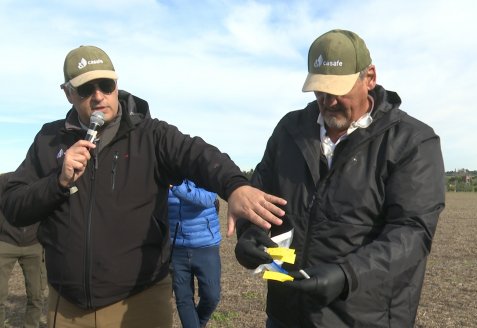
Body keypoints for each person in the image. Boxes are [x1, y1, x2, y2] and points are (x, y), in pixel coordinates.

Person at [1, 45, 286, 328]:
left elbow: (198, 155)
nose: (99, 96)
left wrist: (235, 187)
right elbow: (14, 207)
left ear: (117, 84)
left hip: (137, 304)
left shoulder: (150, 135)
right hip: (66, 307)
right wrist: (58, 182)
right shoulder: (49, 140)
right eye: (87, 88)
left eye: (106, 84)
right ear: (68, 93)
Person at [234, 29, 446, 327]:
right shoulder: (290, 130)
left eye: (337, 89)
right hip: (286, 313)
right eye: (319, 90)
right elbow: (259, 195)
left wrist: (347, 275)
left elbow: (412, 233)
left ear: (369, 77)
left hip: (363, 317)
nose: (327, 101)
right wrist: (249, 234)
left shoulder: (412, 142)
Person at [168, 180, 221, 328]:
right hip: (175, 245)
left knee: (212, 296)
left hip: (206, 244)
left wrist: (175, 186)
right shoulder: (164, 168)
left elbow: (207, 199)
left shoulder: (203, 167)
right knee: (183, 299)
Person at [0, 172, 46, 328]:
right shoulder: (6, 180)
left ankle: (31, 325)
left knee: (36, 295)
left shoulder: (45, 181)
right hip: (6, 242)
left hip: (34, 245)